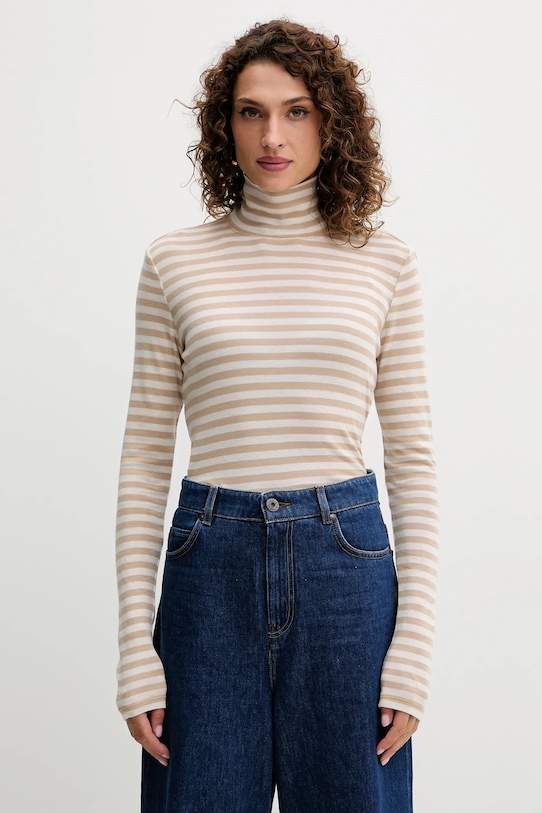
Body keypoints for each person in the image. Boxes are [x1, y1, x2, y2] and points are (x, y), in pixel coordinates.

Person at [115, 19, 439, 813]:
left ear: (332, 121)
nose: (272, 137)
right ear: (223, 126)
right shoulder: (173, 261)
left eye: (297, 111)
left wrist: (414, 647)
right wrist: (134, 645)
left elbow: (413, 456)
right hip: (208, 569)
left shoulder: (385, 261)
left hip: (346, 569)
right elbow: (146, 455)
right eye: (251, 112)